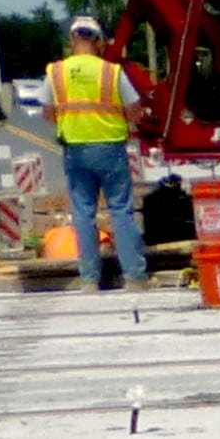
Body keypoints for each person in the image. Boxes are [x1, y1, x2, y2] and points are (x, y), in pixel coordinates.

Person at [49, 15, 149, 290]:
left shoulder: (56, 72)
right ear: (99, 42)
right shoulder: (111, 72)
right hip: (110, 148)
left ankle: (89, 279)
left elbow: (48, 112)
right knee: (121, 210)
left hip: (75, 149)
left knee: (83, 213)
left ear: (72, 40)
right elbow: (134, 109)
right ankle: (135, 276)